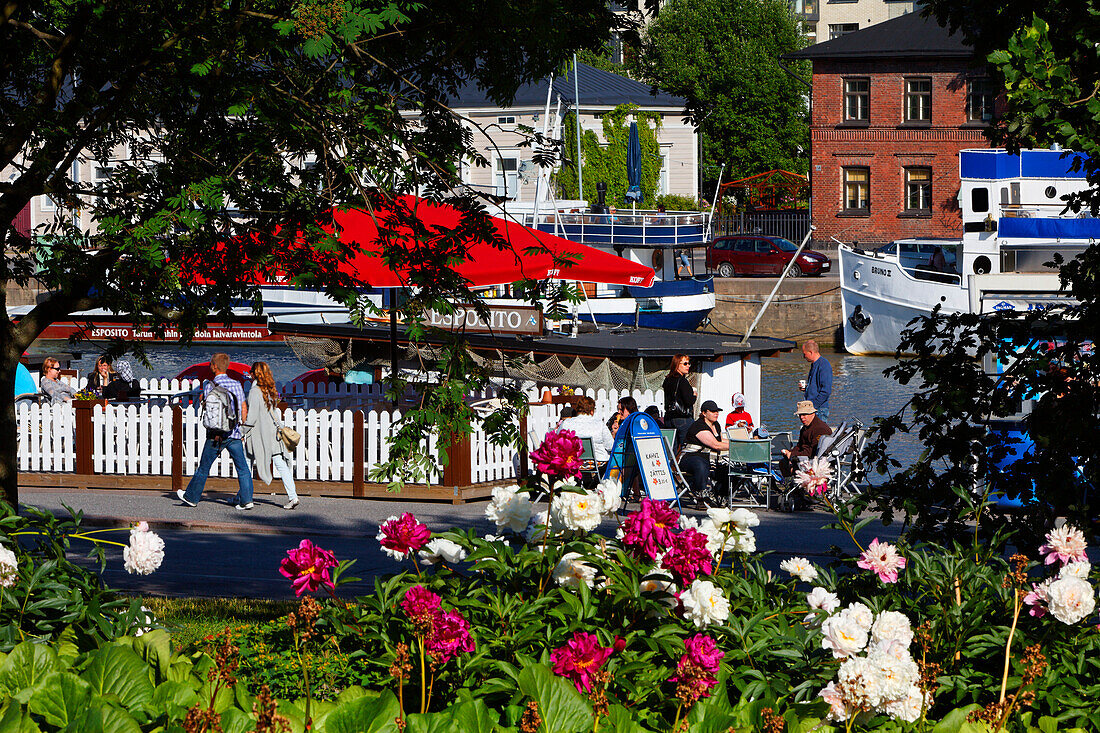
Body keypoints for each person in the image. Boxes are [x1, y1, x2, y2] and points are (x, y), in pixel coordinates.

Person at [177, 352, 253, 509]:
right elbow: (243, 408)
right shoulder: (236, 384)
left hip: (215, 435)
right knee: (243, 469)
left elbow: (204, 406)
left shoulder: (208, 386)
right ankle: (247, 500)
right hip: (234, 433)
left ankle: (191, 497)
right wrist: (241, 427)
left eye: (211, 364)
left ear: (214, 366)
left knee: (204, 467)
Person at [245, 361, 299, 509]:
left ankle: (245, 497)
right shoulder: (270, 388)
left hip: (260, 435)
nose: (249, 373)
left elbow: (252, 417)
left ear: (254, 374)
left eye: (251, 371)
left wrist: (242, 431)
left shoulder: (255, 390)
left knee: (247, 464)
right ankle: (293, 496)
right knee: (281, 465)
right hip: (273, 433)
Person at [678, 400, 729, 505]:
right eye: (713, 411)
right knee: (700, 464)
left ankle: (720, 495)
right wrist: (737, 446)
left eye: (717, 411)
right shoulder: (698, 426)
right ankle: (701, 496)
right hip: (690, 458)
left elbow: (721, 440)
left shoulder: (716, 425)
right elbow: (716, 445)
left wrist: (741, 443)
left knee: (727, 468)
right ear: (704, 413)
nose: (716, 413)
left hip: (708, 458)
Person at [780, 400, 832, 477]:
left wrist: (792, 454)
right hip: (804, 457)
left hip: (815, 462)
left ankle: (797, 486)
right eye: (800, 415)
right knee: (783, 462)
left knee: (792, 462)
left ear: (812, 414)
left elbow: (813, 452)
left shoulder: (820, 429)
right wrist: (789, 452)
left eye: (804, 415)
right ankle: (791, 485)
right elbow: (799, 446)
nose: (801, 418)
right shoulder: (805, 428)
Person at [559, 396, 614, 467]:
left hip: (573, 462)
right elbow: (610, 446)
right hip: (597, 463)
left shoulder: (566, 423)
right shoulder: (600, 424)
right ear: (591, 411)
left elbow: (558, 442)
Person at [663, 354, 696, 446]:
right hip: (682, 418)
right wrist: (694, 395)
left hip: (669, 418)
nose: (688, 366)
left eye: (689, 363)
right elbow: (689, 401)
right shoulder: (682, 381)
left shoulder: (667, 380)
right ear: (677, 365)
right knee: (686, 447)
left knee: (670, 448)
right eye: (685, 363)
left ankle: (672, 461)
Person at [801, 340, 833, 419]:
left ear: (811, 352)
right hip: (812, 409)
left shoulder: (824, 365)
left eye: (804, 354)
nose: (804, 357)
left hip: (819, 410)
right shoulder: (814, 364)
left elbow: (826, 391)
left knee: (818, 431)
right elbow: (817, 387)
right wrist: (806, 388)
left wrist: (813, 406)